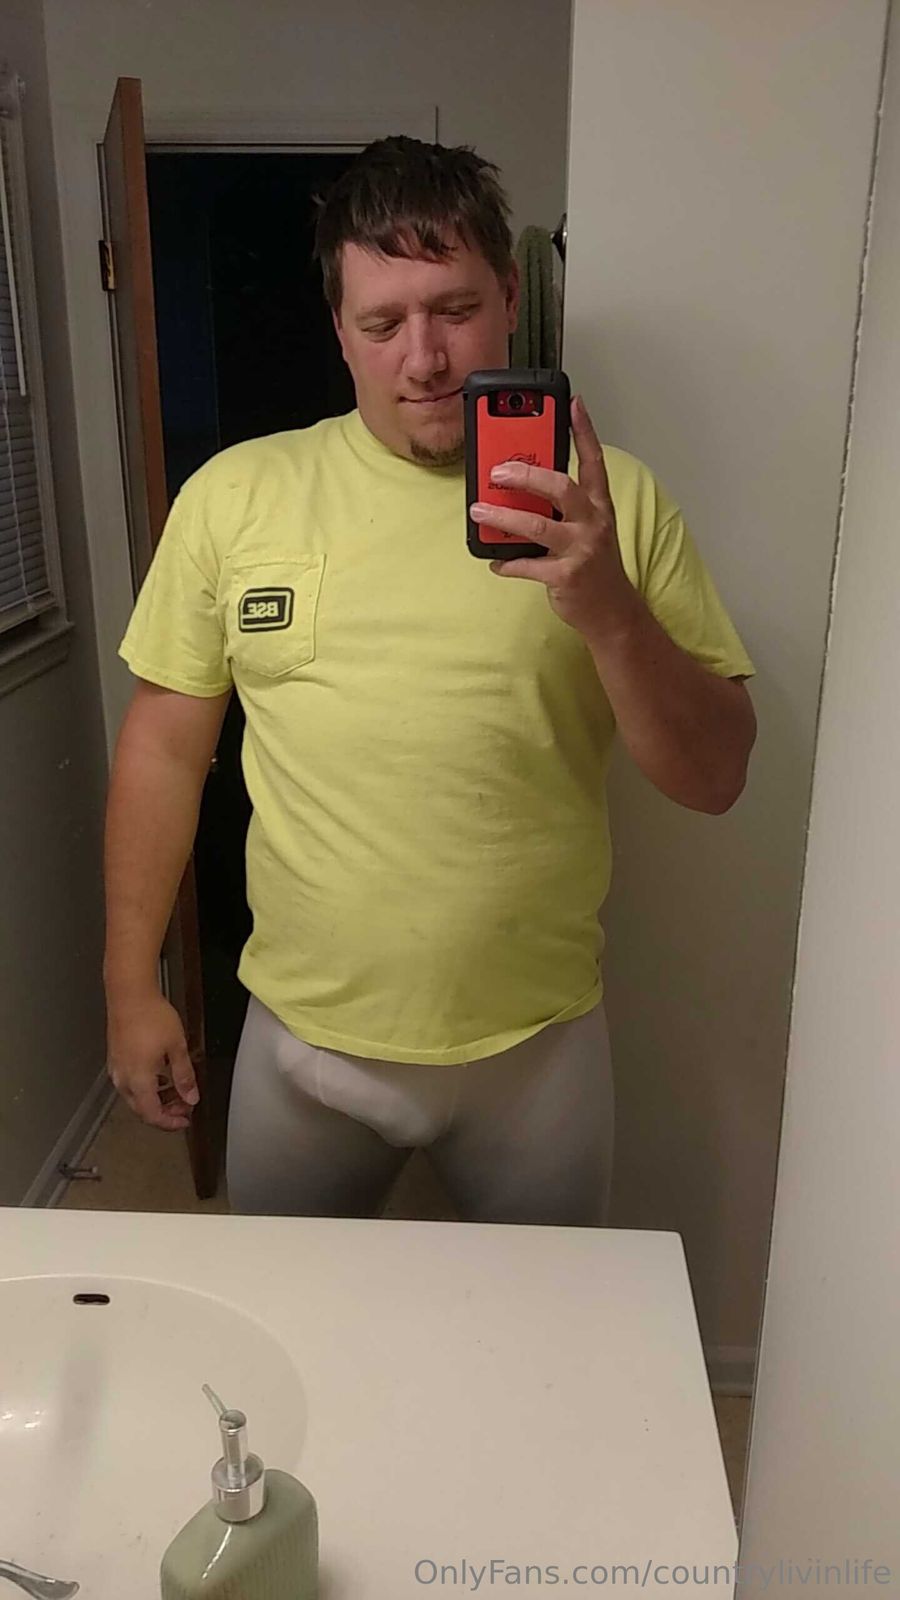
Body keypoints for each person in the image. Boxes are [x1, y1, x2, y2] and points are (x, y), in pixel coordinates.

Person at [104, 136, 756, 1226]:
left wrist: (610, 614)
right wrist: (131, 988)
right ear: (339, 331)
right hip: (303, 1047)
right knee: (292, 1320)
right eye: (383, 324)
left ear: (511, 299)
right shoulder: (234, 498)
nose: (425, 359)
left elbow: (718, 776)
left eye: (455, 309)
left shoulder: (612, 506)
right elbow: (165, 752)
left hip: (536, 1055)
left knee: (538, 1325)